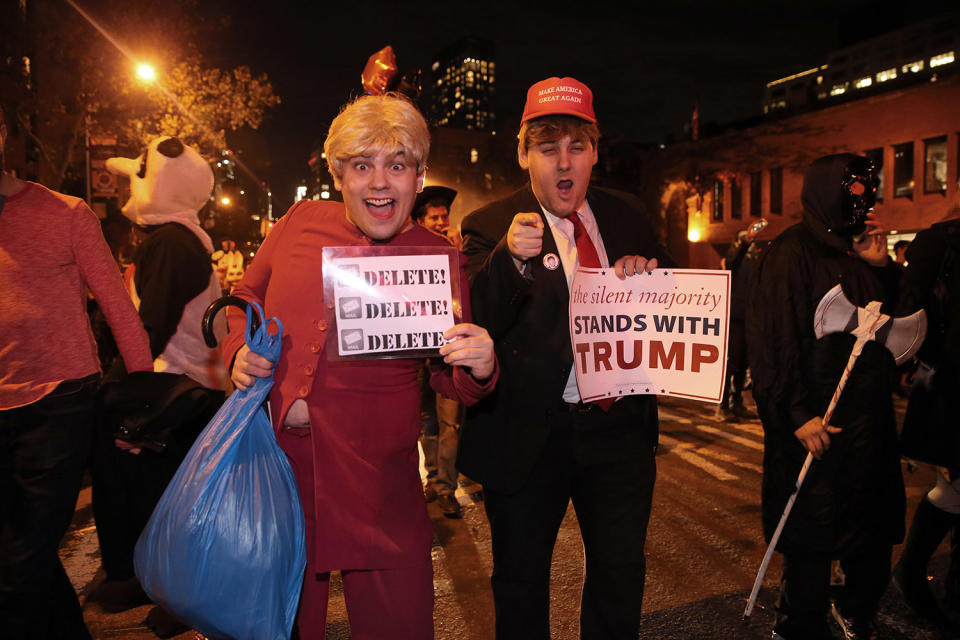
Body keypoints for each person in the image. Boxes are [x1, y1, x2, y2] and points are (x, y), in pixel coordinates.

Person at [224, 93, 497, 640]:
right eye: (362, 165)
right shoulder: (299, 222)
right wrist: (237, 348)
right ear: (337, 173)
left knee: (398, 626)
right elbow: (246, 294)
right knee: (281, 624)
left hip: (379, 481)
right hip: (279, 471)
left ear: (418, 178)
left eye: (396, 166)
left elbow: (451, 377)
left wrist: (482, 365)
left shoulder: (437, 258)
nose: (379, 182)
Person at [459, 77, 674, 640]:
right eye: (547, 147)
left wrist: (651, 280)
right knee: (522, 580)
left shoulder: (629, 216)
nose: (563, 162)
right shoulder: (489, 225)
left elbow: (675, 299)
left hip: (619, 430)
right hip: (530, 435)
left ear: (595, 153)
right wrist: (510, 259)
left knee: (620, 571)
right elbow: (476, 316)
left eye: (576, 146)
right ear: (524, 155)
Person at [0, 102, 154, 639]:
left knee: (19, 566)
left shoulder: (65, 213)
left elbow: (120, 312)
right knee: (26, 561)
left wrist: (140, 413)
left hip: (59, 403)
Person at [746, 154, 904, 640]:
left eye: (867, 191)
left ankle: (856, 610)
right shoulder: (790, 253)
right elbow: (772, 339)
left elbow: (893, 333)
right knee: (810, 539)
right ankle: (799, 624)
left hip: (866, 424)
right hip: (814, 423)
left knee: (871, 533)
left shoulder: (862, 256)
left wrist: (883, 271)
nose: (862, 201)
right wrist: (795, 414)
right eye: (852, 191)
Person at [89, 136, 228, 635]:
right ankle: (149, 579)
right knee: (160, 496)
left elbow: (151, 325)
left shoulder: (171, 242)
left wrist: (119, 393)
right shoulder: (177, 238)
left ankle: (180, 594)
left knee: (172, 500)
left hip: (176, 393)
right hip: (180, 388)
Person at [892, 204, 960, 630]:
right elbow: (910, 312)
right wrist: (918, 366)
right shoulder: (940, 241)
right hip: (951, 386)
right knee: (955, 486)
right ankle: (914, 571)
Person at [413, 185, 466, 517]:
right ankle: (432, 480)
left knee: (450, 424)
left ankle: (446, 487)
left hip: (447, 353)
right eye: (435, 216)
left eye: (444, 215)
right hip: (417, 354)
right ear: (420, 220)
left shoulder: (456, 250)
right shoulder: (406, 252)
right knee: (425, 421)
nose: (441, 221)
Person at [717, 222, 764, 421]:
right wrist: (746, 241)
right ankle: (723, 407)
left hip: (750, 316)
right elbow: (732, 261)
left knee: (745, 362)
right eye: (745, 237)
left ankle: (737, 403)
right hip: (734, 317)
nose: (750, 240)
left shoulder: (756, 261)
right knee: (732, 362)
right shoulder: (733, 260)